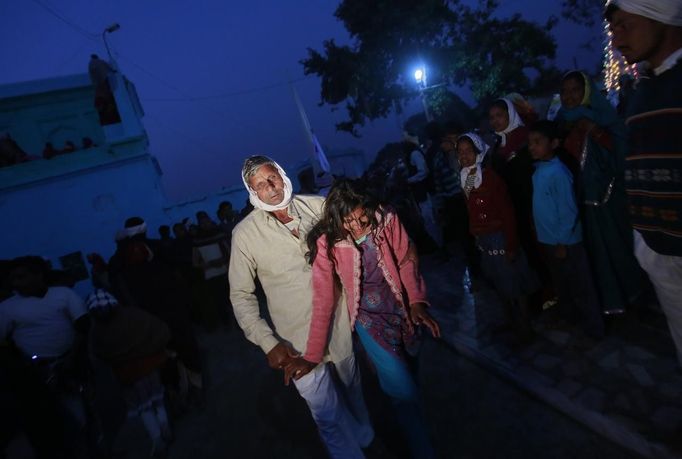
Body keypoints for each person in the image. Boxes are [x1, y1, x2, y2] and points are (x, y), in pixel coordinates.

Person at [228, 155, 374, 459]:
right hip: (295, 341)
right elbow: (241, 295)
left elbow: (360, 230)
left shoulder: (317, 206)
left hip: (338, 323)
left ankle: (366, 438)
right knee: (326, 413)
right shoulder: (245, 234)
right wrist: (268, 343)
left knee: (353, 388)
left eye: (273, 178)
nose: (271, 188)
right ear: (252, 191)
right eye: (261, 185)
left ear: (282, 175)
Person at [286, 178, 440, 459]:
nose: (358, 227)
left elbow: (406, 258)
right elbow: (324, 300)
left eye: (362, 218)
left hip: (402, 310)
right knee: (403, 393)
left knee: (411, 378)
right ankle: (424, 451)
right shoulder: (327, 244)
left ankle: (411, 421)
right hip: (370, 322)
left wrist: (416, 301)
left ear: (369, 208)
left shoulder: (386, 218)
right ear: (337, 220)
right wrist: (312, 354)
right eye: (349, 222)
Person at [606, 0, 682, 364]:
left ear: (660, 15)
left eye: (625, 25)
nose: (617, 39)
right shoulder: (642, 92)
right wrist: (646, 246)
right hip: (660, 252)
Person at [556, 71, 645, 315]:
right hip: (576, 203)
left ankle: (629, 297)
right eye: (564, 91)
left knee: (613, 251)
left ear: (586, 91)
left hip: (605, 201)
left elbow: (620, 151)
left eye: (575, 90)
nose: (569, 96)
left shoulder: (603, 118)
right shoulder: (561, 123)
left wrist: (594, 131)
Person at [0, 256, 90, 457]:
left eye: (21, 277)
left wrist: (71, 358)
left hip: (76, 364)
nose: (16, 283)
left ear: (38, 275)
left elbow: (82, 326)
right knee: (67, 419)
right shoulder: (7, 309)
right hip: (40, 373)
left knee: (90, 412)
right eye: (12, 278)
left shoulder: (63, 295)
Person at [457, 133, 540, 341]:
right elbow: (470, 209)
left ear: (478, 152)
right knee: (498, 281)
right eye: (460, 152)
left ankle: (525, 327)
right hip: (484, 239)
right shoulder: (465, 178)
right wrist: (475, 233)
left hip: (501, 237)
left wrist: (511, 243)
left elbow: (507, 212)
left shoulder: (491, 177)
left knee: (514, 282)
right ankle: (511, 322)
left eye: (469, 151)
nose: (464, 156)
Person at [528, 121, 605, 338]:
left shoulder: (559, 172)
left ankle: (594, 328)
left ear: (554, 143)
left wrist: (562, 241)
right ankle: (572, 320)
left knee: (581, 285)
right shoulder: (539, 170)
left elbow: (568, 211)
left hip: (567, 243)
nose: (532, 147)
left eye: (537, 142)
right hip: (550, 241)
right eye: (530, 143)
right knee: (563, 285)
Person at [87, 289, 172, 458]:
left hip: (128, 374)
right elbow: (159, 330)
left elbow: (99, 355)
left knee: (143, 408)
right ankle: (164, 425)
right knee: (157, 399)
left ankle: (157, 439)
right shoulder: (133, 315)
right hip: (149, 366)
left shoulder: (97, 331)